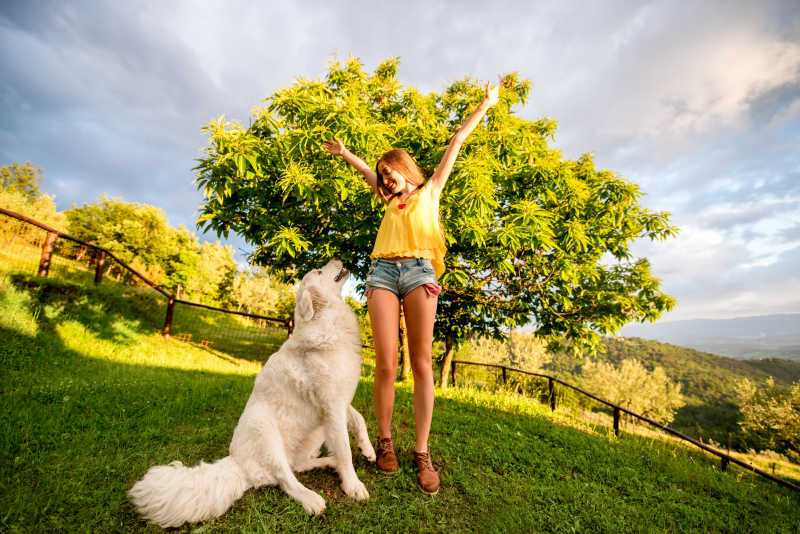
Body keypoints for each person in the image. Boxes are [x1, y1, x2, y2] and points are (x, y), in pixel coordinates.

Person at [322, 80, 500, 494]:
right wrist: (346, 153)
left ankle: (422, 452)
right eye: (383, 177)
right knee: (386, 362)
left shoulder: (430, 191)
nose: (385, 180)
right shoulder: (388, 201)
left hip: (420, 273)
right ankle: (385, 442)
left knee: (421, 363)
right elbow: (366, 172)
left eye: (390, 174)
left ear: (404, 169)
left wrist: (485, 105)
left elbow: (457, 140)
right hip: (383, 274)